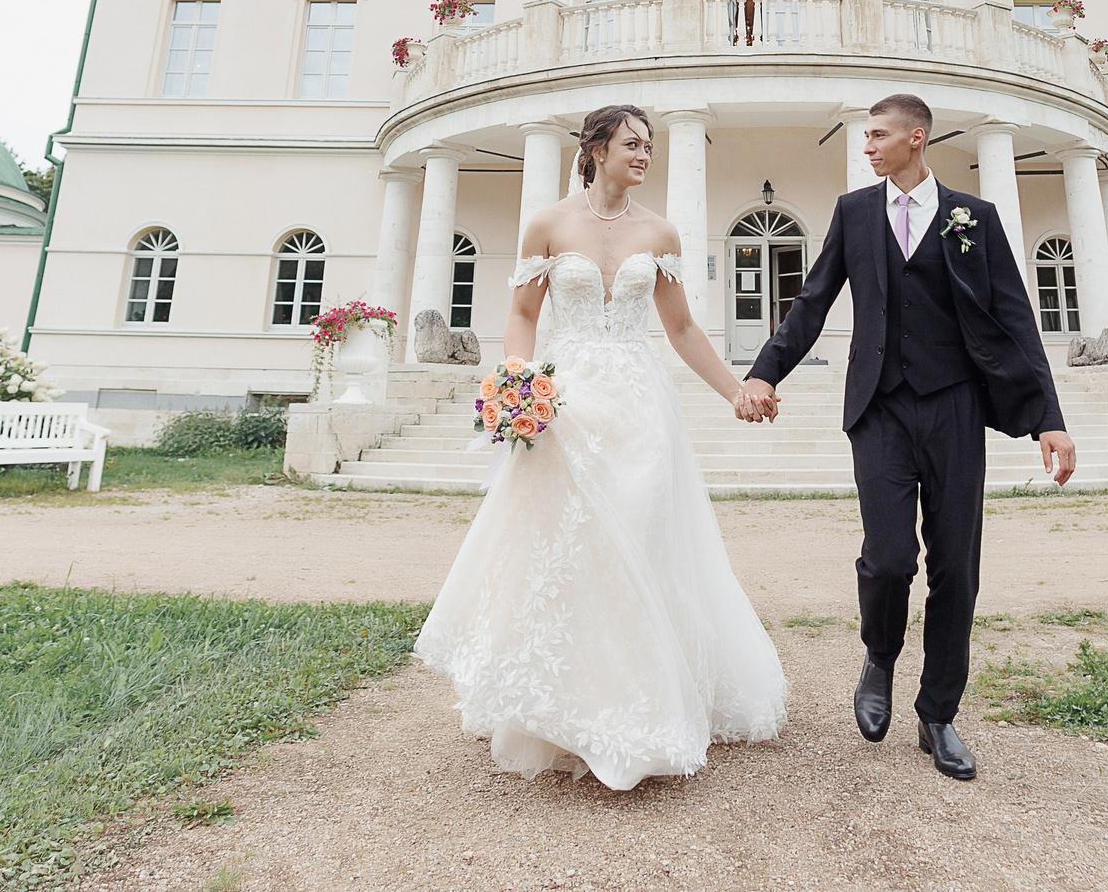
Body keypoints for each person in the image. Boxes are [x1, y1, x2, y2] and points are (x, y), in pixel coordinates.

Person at [415, 104, 789, 787]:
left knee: (640, 538)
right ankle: (563, 703)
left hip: (642, 406)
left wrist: (737, 389)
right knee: (572, 545)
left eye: (649, 145)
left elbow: (680, 330)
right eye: (632, 144)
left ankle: (639, 702)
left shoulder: (661, 230)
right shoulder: (549, 224)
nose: (644, 155)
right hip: (568, 404)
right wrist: (520, 387)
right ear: (596, 148)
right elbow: (523, 314)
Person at [737, 93, 1074, 781]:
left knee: (957, 564)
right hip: (881, 407)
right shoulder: (855, 212)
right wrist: (765, 372)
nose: (867, 146)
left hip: (954, 406)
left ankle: (938, 713)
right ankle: (880, 653)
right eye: (866, 136)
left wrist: (1050, 416)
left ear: (916, 138)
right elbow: (812, 300)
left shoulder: (971, 216)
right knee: (889, 558)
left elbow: (1014, 314)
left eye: (879, 134)